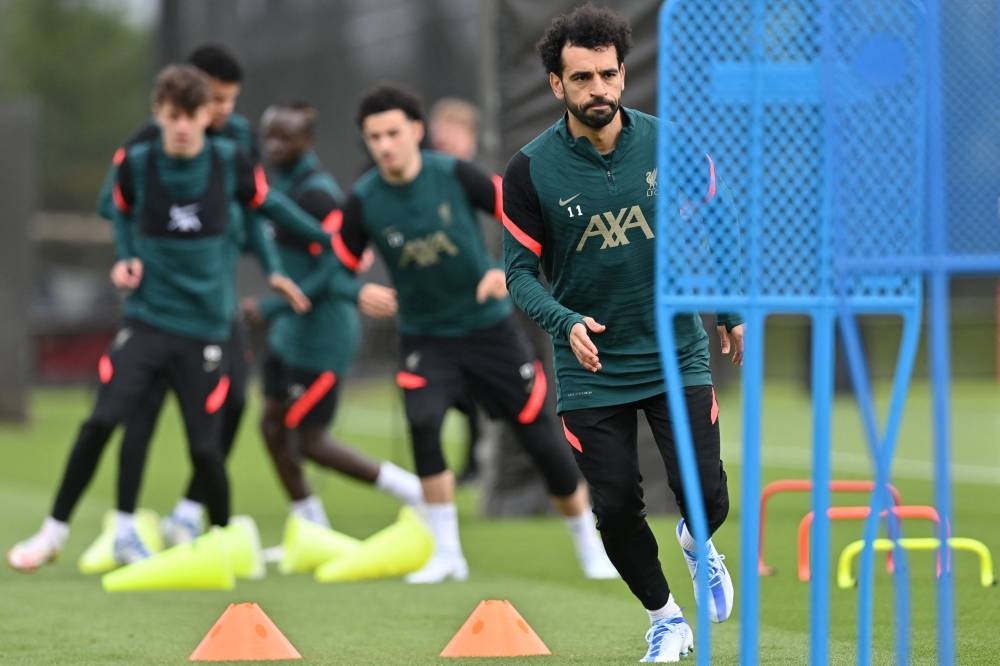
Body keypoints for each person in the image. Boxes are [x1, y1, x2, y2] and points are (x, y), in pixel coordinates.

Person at [6, 65, 331, 572]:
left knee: (205, 450)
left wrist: (330, 239)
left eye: (191, 115)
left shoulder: (228, 161)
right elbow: (118, 211)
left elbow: (269, 208)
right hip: (147, 322)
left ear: (206, 117)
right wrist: (125, 257)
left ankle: (220, 543)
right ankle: (53, 532)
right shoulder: (138, 163)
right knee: (101, 421)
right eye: (172, 115)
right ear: (158, 113)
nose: (181, 126)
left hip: (205, 332)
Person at [501, 6, 743, 662]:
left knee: (708, 496)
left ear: (623, 73)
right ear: (556, 84)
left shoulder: (670, 142)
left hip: (675, 348)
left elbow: (720, 221)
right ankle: (665, 619)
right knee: (613, 506)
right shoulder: (529, 169)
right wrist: (565, 320)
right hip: (592, 366)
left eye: (608, 74)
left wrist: (729, 309)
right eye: (582, 78)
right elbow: (518, 274)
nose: (598, 89)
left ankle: (697, 543)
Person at [335, 84, 617, 584]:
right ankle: (448, 554)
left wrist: (505, 270)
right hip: (425, 338)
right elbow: (336, 269)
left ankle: (590, 544)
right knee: (424, 424)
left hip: (489, 332)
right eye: (374, 137)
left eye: (393, 133)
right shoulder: (364, 200)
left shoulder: (454, 174)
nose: (385, 145)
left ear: (416, 131)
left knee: (540, 439)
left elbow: (526, 213)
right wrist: (357, 291)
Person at [94, 45, 273, 547]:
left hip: (217, 300)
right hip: (162, 304)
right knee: (140, 409)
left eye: (231, 100)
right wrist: (140, 248)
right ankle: (125, 523)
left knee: (235, 401)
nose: (224, 110)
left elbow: (257, 205)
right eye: (216, 99)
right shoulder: (148, 144)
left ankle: (191, 511)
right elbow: (112, 203)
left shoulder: (237, 139)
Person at [246, 101, 423, 526]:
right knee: (271, 429)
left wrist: (274, 305)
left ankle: (411, 490)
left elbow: (339, 264)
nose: (274, 145)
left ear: (307, 140)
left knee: (308, 438)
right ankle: (310, 524)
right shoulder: (280, 185)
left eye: (285, 137)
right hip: (289, 334)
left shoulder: (318, 193)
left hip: (321, 337)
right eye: (269, 136)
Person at [427, 96, 488, 484]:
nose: (444, 138)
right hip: (439, 306)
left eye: (453, 130)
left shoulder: (479, 181)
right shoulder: (426, 181)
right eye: (440, 130)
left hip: (483, 303)